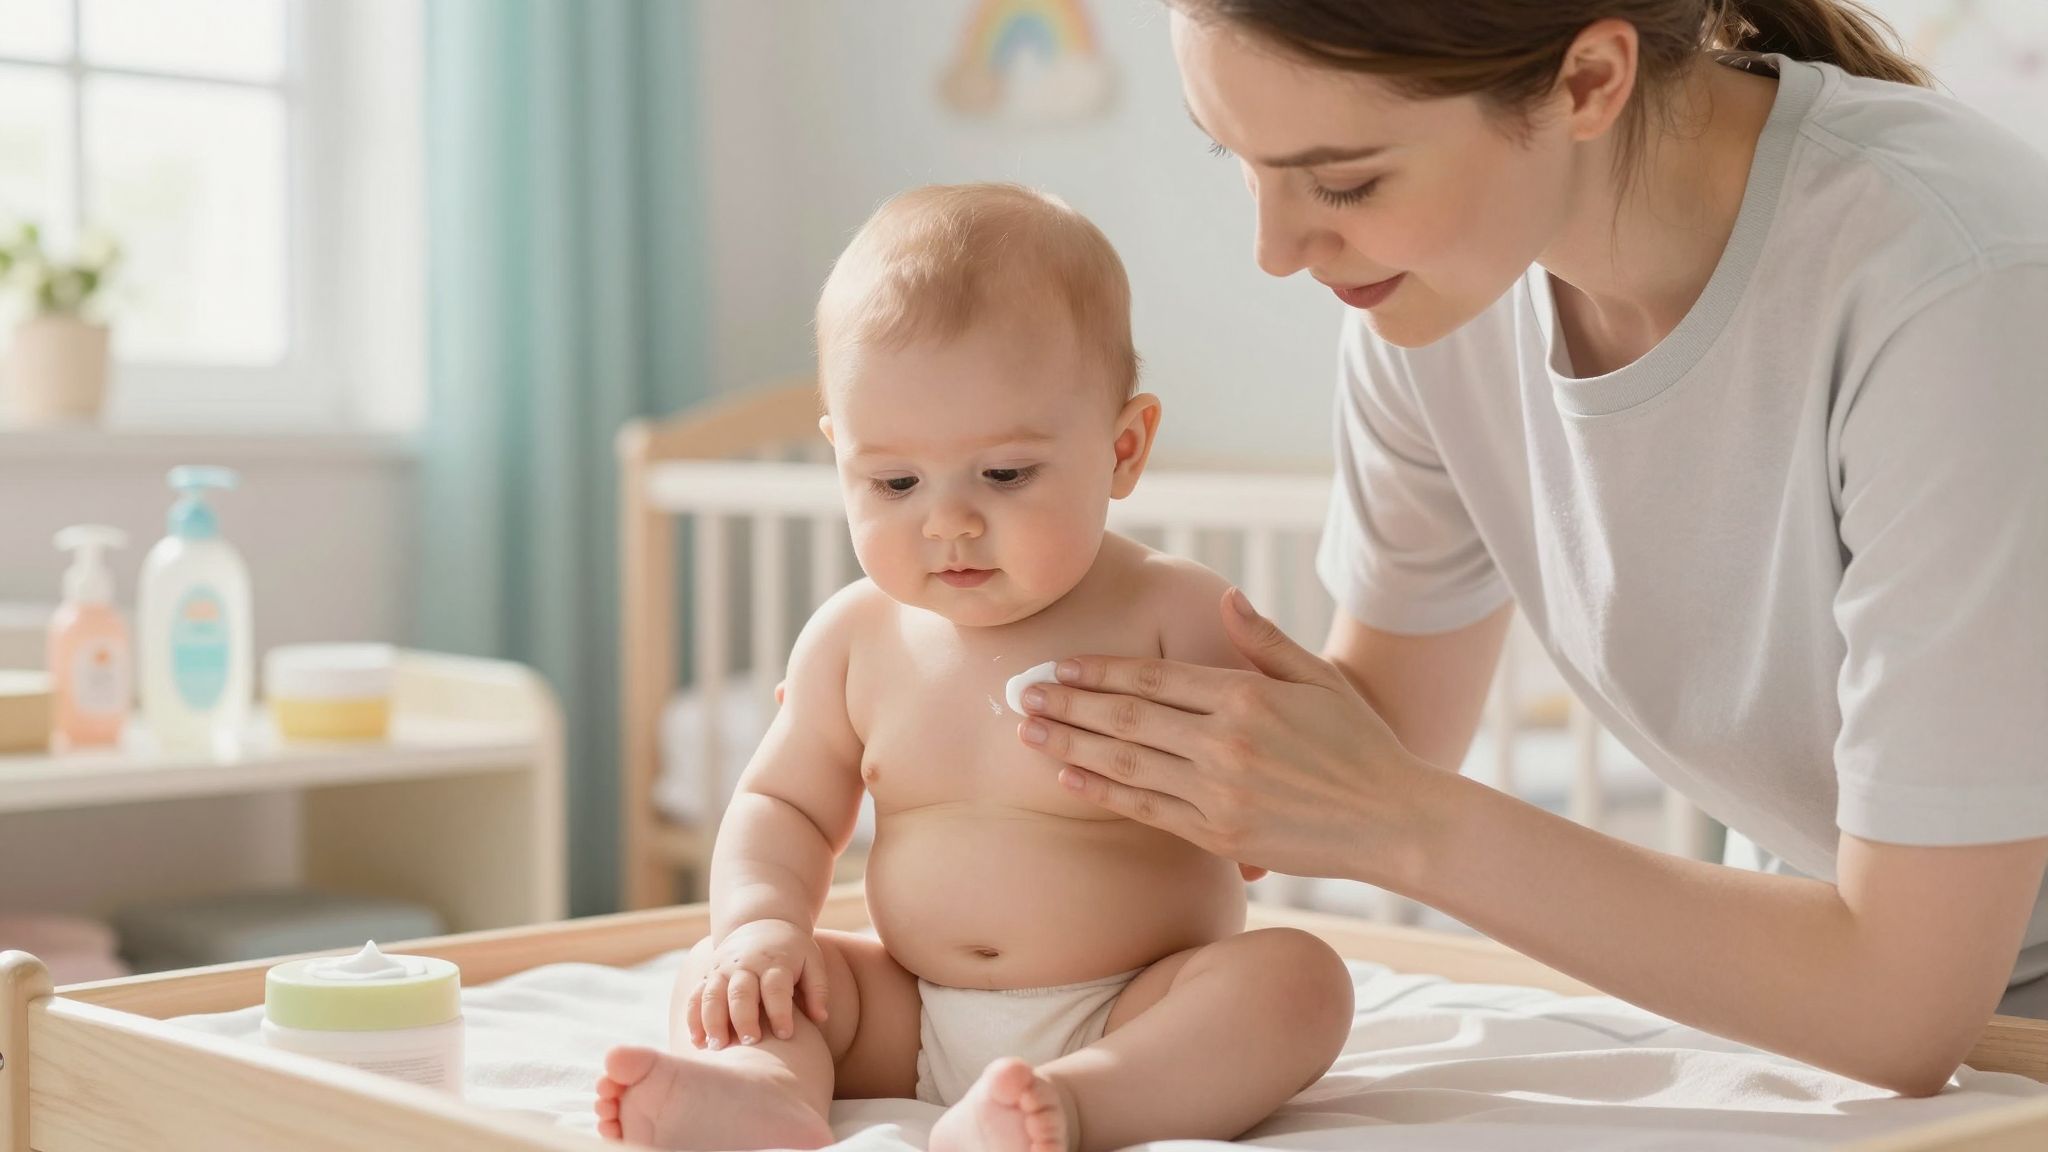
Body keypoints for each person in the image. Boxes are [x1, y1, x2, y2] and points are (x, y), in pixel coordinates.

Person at [1016, 0, 2048, 1098]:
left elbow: (1899, 1005)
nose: (1274, 252)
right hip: (1807, 1009)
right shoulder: (1435, 305)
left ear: (1588, 82)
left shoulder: (1959, 288)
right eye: (1239, 157)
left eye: (1346, 181)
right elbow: (1367, 742)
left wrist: (1402, 821)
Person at [595, 182, 1353, 1152]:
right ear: (840, 463)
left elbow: (1269, 783)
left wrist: (1255, 803)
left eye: (1003, 475)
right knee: (730, 976)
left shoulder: (1173, 614)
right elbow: (780, 808)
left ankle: (1077, 1103)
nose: (945, 520)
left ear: (1121, 449)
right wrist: (759, 926)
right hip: (905, 1010)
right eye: (894, 482)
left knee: (1295, 981)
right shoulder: (851, 640)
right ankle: (761, 1095)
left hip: (1135, 1003)